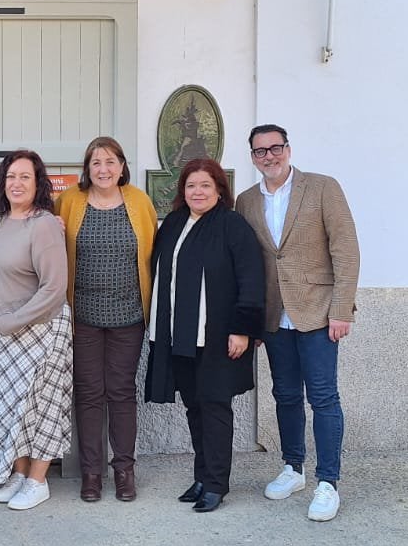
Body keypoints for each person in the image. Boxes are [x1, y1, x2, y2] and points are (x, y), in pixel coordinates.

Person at [236, 124, 360, 522]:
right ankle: (293, 468)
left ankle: (328, 482)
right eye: (260, 152)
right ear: (252, 157)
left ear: (288, 149)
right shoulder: (246, 200)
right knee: (285, 395)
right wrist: (251, 320)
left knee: (323, 397)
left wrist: (341, 308)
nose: (268, 156)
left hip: (319, 311)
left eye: (275, 148)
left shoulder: (323, 187)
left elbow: (345, 249)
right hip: (274, 317)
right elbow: (247, 264)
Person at [145, 158, 265, 513]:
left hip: (216, 337)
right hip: (178, 336)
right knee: (194, 408)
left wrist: (243, 329)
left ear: (219, 190)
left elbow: (251, 279)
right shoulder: (174, 225)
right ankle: (202, 475)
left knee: (214, 408)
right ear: (183, 191)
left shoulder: (232, 226)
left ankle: (216, 483)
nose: (198, 192)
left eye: (205, 186)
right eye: (191, 186)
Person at [54, 136, 157, 502]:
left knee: (122, 391)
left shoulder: (140, 201)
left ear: (122, 166)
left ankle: (125, 470)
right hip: (82, 316)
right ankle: (91, 474)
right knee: (89, 392)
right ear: (87, 168)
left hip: (128, 315)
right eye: (96, 162)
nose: (104, 169)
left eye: (111, 162)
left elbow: (151, 254)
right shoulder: (68, 202)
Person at [0, 149, 72, 511]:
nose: (17, 183)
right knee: (11, 408)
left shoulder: (44, 223)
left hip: (37, 330)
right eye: (11, 176)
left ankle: (37, 480)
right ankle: (18, 473)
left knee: (42, 407)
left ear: (38, 183)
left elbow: (53, 287)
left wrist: (13, 321)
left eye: (25, 177)